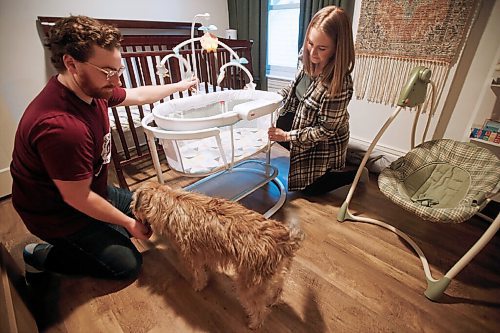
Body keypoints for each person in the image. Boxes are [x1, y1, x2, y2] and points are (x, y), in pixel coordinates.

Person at [10, 15, 198, 283]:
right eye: (109, 72)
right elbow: (78, 199)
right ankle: (40, 255)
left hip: (93, 189)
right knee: (126, 265)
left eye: (118, 71)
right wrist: (127, 224)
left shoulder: (95, 90)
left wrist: (180, 86)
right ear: (71, 63)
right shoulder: (62, 127)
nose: (117, 81)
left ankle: (105, 231)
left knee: (152, 212)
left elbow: (139, 95)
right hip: (56, 214)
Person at [268, 6, 366, 195]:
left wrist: (288, 136)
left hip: (325, 138)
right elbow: (294, 88)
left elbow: (325, 130)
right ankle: (346, 159)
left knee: (310, 191)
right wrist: (271, 98)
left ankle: (355, 173)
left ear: (337, 48)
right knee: (272, 130)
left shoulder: (340, 84)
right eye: (310, 43)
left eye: (322, 48)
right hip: (302, 121)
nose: (313, 53)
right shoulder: (306, 57)